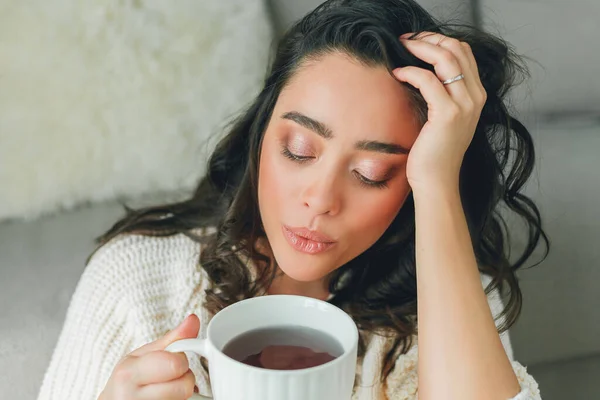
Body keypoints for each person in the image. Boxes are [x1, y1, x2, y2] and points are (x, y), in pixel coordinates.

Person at [37, 0, 549, 399]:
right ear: (262, 135)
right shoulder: (137, 279)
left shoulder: (451, 288)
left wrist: (439, 184)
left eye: (372, 173)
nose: (320, 200)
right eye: (299, 150)